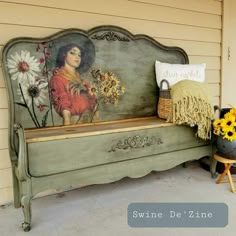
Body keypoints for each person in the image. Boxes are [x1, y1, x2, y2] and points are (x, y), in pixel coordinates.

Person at [50, 43, 97, 125]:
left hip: (90, 123)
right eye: (72, 53)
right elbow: (63, 104)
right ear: (64, 55)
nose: (77, 57)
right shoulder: (57, 79)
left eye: (79, 54)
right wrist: (67, 125)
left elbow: (93, 103)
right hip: (74, 123)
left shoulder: (83, 82)